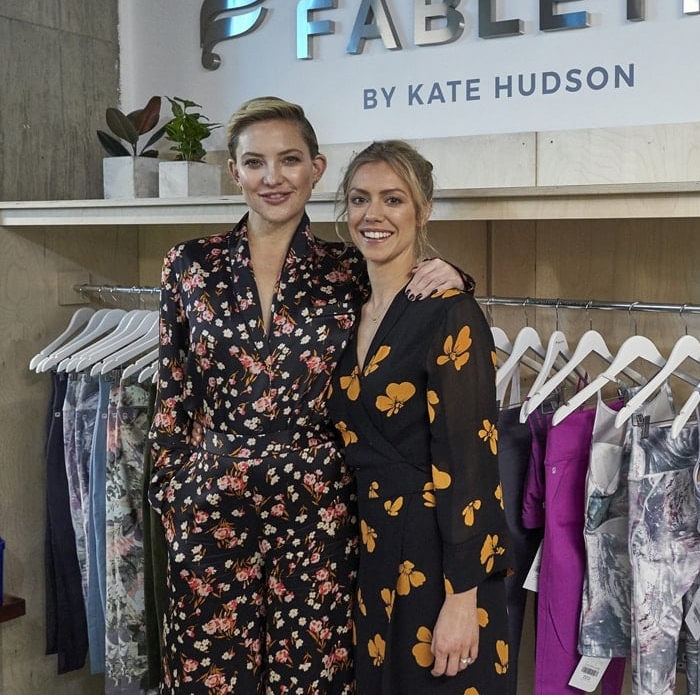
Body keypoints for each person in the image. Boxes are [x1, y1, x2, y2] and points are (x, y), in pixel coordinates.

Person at [146, 97, 470, 694]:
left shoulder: (348, 267)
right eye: (256, 163)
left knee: (310, 677)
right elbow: (173, 394)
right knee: (208, 676)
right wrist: (172, 494)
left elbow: (410, 298)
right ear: (233, 171)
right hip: (210, 502)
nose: (273, 178)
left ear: (316, 169)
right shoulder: (189, 265)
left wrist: (457, 276)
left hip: (317, 510)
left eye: (289, 160)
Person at [326, 140, 512, 693]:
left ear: (423, 210)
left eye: (393, 200)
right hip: (365, 550)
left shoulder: (451, 315)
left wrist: (462, 598)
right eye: (360, 199)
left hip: (438, 561)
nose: (373, 215)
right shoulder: (340, 309)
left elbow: (471, 462)